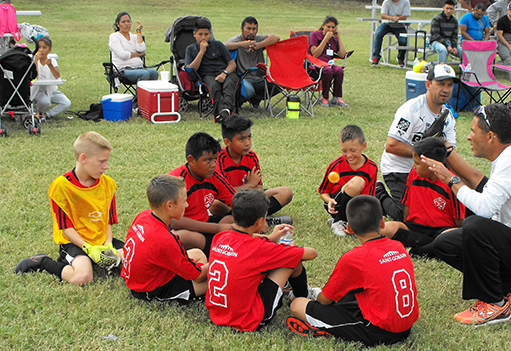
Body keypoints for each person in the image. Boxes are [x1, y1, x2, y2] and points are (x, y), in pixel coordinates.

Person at [422, 103, 511, 326]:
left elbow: (484, 209)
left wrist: (450, 179)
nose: (469, 137)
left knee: (475, 226)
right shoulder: (508, 157)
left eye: (473, 131)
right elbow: (484, 189)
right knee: (445, 243)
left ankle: (494, 304)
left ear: (491, 136)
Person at [287, 195, 419, 347]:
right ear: (382, 221)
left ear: (349, 227)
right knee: (349, 294)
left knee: (297, 305)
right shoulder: (398, 246)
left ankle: (324, 330)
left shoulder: (355, 258)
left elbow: (325, 300)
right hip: (406, 326)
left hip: (380, 332)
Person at [15, 132, 124, 285]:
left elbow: (107, 222)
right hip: (75, 243)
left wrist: (107, 244)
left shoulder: (108, 184)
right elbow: (66, 228)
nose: (106, 166)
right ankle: (42, 262)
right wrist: (88, 248)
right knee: (83, 278)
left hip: (101, 241)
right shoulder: (61, 187)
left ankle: (98, 260)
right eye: (102, 161)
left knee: (138, 260)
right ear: (83, 158)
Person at [205, 189, 318, 332]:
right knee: (292, 260)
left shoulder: (220, 237)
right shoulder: (259, 249)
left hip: (217, 313)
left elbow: (245, 241)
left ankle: (294, 291)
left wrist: (271, 237)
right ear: (260, 221)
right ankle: (301, 296)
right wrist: (289, 248)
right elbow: (311, 253)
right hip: (248, 320)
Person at [378, 63, 458, 222]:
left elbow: (450, 151)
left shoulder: (448, 117)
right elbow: (391, 145)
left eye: (450, 85)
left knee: (435, 212)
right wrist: (424, 151)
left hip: (427, 171)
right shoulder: (411, 110)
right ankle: (377, 192)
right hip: (398, 168)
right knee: (405, 217)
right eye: (440, 83)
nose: (446, 89)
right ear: (428, 84)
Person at [121, 175, 208, 304]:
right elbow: (199, 276)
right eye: (184, 201)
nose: (187, 204)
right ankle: (189, 291)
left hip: (140, 278)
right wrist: (219, 263)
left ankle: (190, 280)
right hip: (150, 290)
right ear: (169, 206)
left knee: (197, 253)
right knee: (217, 280)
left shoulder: (143, 216)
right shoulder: (164, 239)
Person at [381, 137, 465, 257]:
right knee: (384, 229)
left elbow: (458, 222)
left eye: (417, 163)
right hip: (416, 229)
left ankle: (418, 250)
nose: (414, 165)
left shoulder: (451, 183)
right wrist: (405, 226)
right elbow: (407, 206)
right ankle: (428, 248)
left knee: (450, 239)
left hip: (442, 231)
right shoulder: (414, 174)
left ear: (432, 164)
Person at [168, 132, 235, 256]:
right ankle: (221, 246)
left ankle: (220, 244)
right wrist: (217, 229)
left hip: (205, 224)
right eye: (208, 160)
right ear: (191, 161)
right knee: (180, 237)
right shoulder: (177, 180)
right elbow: (175, 222)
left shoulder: (214, 178)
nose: (213, 165)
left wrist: (257, 219)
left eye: (215, 159)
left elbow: (237, 201)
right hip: (183, 229)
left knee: (234, 219)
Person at [217, 114, 293, 220]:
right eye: (242, 139)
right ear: (227, 142)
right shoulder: (219, 158)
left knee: (286, 192)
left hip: (249, 199)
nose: (248, 143)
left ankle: (254, 219)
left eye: (249, 137)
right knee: (216, 205)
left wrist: (253, 190)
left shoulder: (251, 156)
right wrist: (250, 185)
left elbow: (259, 189)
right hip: (229, 202)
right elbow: (222, 194)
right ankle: (257, 220)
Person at [319, 125, 378, 236]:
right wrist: (329, 200)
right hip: (337, 205)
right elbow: (323, 191)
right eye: (344, 151)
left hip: (357, 204)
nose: (349, 155)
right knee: (357, 182)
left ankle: (348, 221)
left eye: (353, 150)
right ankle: (339, 220)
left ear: (364, 146)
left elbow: (369, 198)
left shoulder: (372, 167)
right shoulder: (335, 164)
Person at [185, 18, 237, 122]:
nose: (203, 37)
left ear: (210, 34)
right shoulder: (190, 49)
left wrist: (224, 73)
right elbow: (192, 68)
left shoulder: (218, 45)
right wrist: (202, 51)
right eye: (200, 34)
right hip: (207, 75)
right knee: (214, 86)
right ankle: (221, 113)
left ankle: (225, 111)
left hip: (225, 72)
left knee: (229, 84)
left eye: (206, 34)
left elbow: (232, 63)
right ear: (194, 34)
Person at [224, 16, 279, 109]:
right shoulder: (236, 39)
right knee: (248, 90)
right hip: (243, 78)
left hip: (260, 77)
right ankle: (238, 102)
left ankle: (255, 100)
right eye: (248, 28)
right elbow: (223, 46)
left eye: (254, 29)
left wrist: (259, 45)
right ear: (242, 29)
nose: (251, 32)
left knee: (279, 83)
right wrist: (241, 45)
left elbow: (276, 38)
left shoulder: (258, 39)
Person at [310, 16, 350, 107]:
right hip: (316, 65)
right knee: (328, 71)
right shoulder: (315, 35)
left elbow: (342, 55)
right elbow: (315, 54)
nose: (330, 29)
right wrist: (325, 39)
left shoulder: (334, 39)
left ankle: (336, 98)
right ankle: (325, 98)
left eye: (333, 27)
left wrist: (338, 38)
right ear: (323, 25)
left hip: (329, 64)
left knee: (339, 70)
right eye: (328, 26)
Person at [109, 12, 158, 84]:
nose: (126, 24)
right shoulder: (114, 37)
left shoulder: (134, 37)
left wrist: (138, 31)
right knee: (144, 74)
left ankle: (149, 95)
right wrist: (138, 54)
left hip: (138, 67)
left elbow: (141, 49)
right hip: (122, 70)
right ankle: (139, 95)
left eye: (128, 21)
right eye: (123, 22)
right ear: (118, 24)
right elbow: (123, 55)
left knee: (154, 72)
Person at [32, 37, 70, 120]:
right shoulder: (33, 59)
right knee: (44, 101)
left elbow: (57, 76)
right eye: (39, 47)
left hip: (51, 90)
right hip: (37, 90)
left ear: (49, 49)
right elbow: (34, 76)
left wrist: (50, 65)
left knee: (66, 103)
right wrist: (35, 61)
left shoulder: (52, 59)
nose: (41, 50)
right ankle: (37, 112)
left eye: (44, 47)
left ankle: (46, 114)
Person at [371, 0, 411, 67]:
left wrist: (397, 18)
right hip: (387, 24)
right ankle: (376, 57)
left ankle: (400, 58)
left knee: (403, 40)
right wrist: (392, 18)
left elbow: (405, 16)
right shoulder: (386, 2)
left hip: (400, 26)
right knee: (378, 33)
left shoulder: (405, 2)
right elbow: (383, 15)